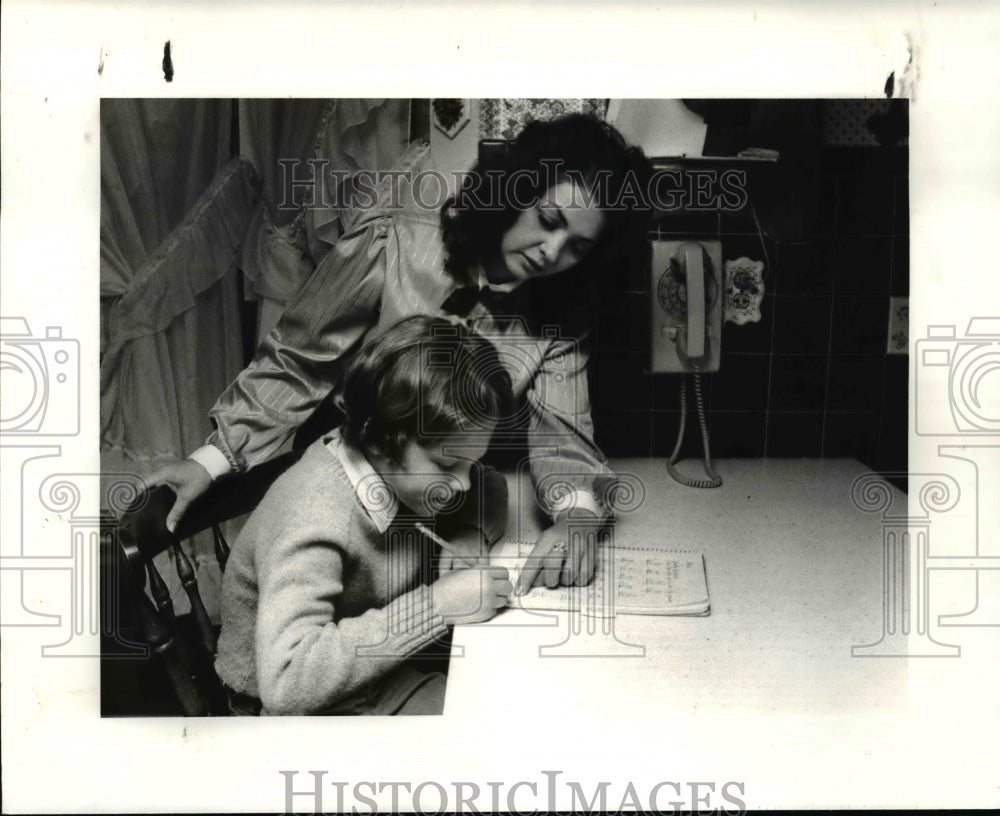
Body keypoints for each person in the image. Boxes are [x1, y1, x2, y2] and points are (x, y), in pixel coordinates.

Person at [150, 112, 653, 594]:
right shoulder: (397, 237)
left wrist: (578, 518)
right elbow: (300, 356)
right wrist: (212, 459)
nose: (551, 250)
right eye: (547, 219)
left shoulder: (561, 314)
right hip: (346, 487)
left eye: (577, 248)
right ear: (518, 193)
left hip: (450, 508)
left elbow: (562, 438)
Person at [215, 315, 514, 716]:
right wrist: (437, 606)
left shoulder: (392, 464)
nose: (463, 483)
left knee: (501, 710)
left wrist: (469, 536)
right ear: (380, 440)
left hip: (371, 673)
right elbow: (287, 682)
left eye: (470, 463)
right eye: (449, 466)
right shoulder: (315, 511)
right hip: (293, 708)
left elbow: (489, 486)